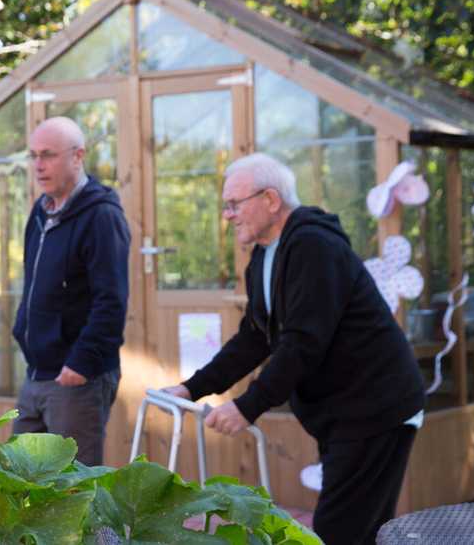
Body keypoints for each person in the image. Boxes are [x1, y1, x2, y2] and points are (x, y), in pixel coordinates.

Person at [163, 153, 425, 545]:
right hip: (345, 411)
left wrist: (248, 406)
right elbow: (255, 337)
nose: (228, 215)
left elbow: (304, 342)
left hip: (376, 405)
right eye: (226, 206)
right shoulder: (264, 256)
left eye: (235, 204)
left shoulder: (313, 246)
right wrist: (191, 387)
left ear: (270, 199)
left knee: (341, 530)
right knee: (357, 528)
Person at [11, 116, 130, 466]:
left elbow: (112, 301)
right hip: (37, 372)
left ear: (78, 157)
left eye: (47, 155)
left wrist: (80, 362)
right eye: (33, 155)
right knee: (19, 475)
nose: (38, 165)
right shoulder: (40, 212)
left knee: (74, 492)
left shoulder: (102, 216)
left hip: (76, 376)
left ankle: (103, 527)